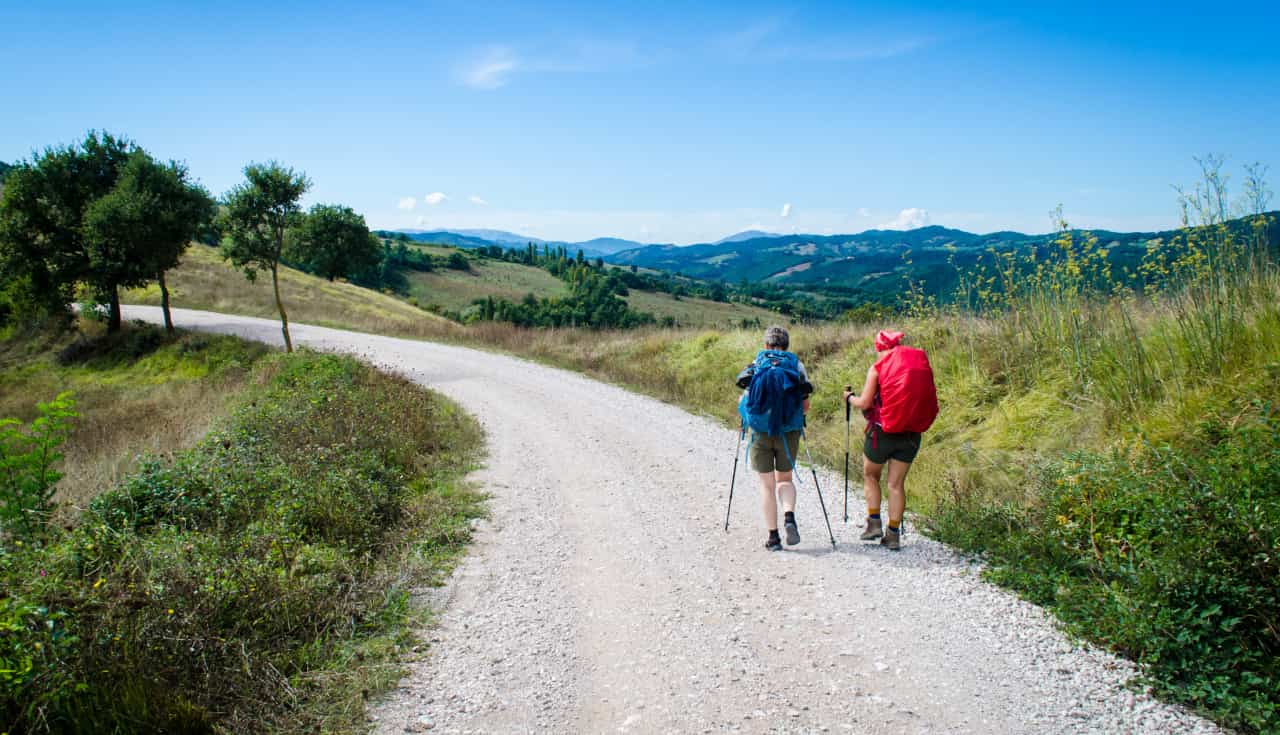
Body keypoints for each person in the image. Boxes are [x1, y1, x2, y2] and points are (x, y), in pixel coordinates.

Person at [842, 330, 928, 551]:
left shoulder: (878, 369)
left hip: (882, 434)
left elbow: (865, 403)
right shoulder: (915, 367)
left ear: (879, 347)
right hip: (911, 434)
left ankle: (873, 525)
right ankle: (893, 534)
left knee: (871, 475)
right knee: (896, 484)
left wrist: (849, 398)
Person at [736, 326, 813, 551]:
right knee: (785, 480)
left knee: (766, 485)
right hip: (788, 433)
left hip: (761, 432)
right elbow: (805, 406)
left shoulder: (756, 364)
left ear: (766, 345)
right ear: (787, 345)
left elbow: (746, 403)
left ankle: (773, 538)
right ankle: (789, 516)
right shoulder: (796, 366)